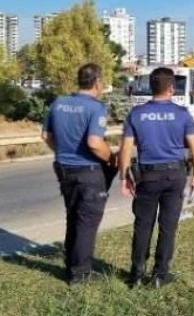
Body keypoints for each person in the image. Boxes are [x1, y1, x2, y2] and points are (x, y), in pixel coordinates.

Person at [118, 67, 194, 288]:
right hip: (175, 175)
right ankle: (159, 275)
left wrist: (124, 177)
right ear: (171, 88)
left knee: (143, 225)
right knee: (168, 226)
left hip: (148, 176)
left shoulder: (136, 114)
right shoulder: (182, 114)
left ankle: (136, 275)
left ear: (151, 87)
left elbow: (126, 149)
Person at [41, 63, 117, 286]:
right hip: (88, 172)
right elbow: (94, 143)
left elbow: (46, 135)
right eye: (102, 82)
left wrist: (63, 152)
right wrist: (112, 159)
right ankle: (81, 274)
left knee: (73, 217)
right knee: (87, 223)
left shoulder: (59, 103)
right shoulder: (96, 108)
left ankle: (71, 264)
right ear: (97, 83)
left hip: (64, 168)